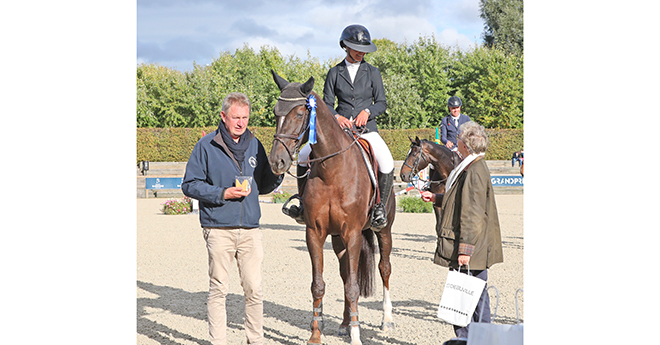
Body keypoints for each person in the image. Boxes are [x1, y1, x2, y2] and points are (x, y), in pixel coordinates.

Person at [181, 92, 284, 345]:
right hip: (218, 229)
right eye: (236, 117)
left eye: (245, 117)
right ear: (223, 116)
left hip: (250, 229)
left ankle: (255, 340)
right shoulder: (206, 146)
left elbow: (264, 184)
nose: (241, 123)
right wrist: (221, 193)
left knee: (254, 291)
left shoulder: (255, 145)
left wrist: (279, 172)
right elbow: (189, 185)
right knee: (218, 290)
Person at [287, 24, 394, 229]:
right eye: (356, 48)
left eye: (363, 49)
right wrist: (336, 117)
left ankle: (379, 207)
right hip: (339, 131)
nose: (361, 53)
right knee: (302, 156)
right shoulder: (335, 72)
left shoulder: (373, 72)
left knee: (387, 162)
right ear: (345, 46)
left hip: (366, 130)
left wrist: (368, 111)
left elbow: (382, 102)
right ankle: (301, 203)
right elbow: (326, 103)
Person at [420, 121, 504, 339]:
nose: (455, 140)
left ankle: (471, 340)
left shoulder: (474, 170)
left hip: (471, 247)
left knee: (468, 300)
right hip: (473, 245)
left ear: (466, 143)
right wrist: (437, 197)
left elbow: (472, 213)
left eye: (459, 137)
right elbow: (461, 199)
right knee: (475, 297)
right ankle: (476, 339)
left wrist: (465, 250)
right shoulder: (471, 165)